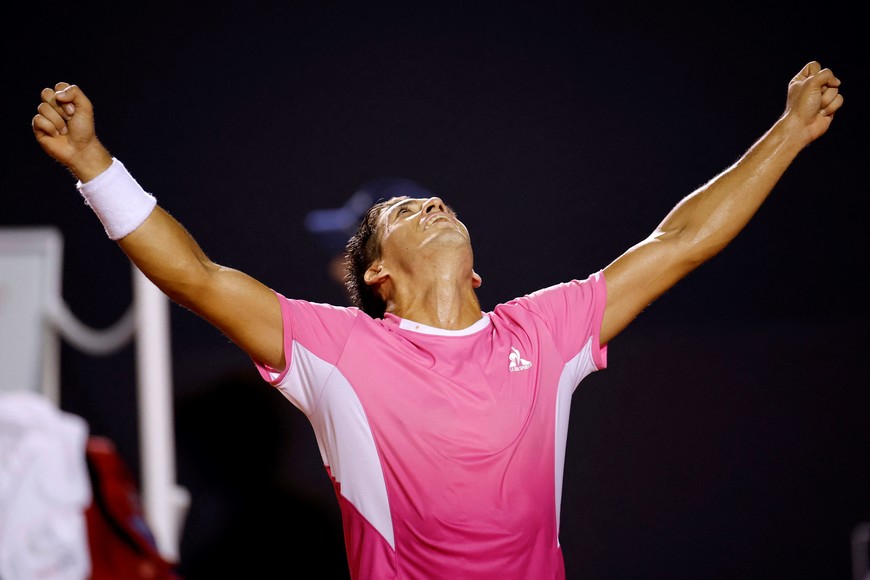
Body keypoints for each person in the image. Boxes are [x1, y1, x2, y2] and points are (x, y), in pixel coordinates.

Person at [31, 60, 843, 579]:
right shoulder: (335, 347)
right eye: (405, 212)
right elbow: (197, 277)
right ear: (378, 276)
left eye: (439, 203)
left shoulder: (544, 330)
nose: (432, 204)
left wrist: (789, 132)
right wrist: (93, 167)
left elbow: (680, 243)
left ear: (477, 269)